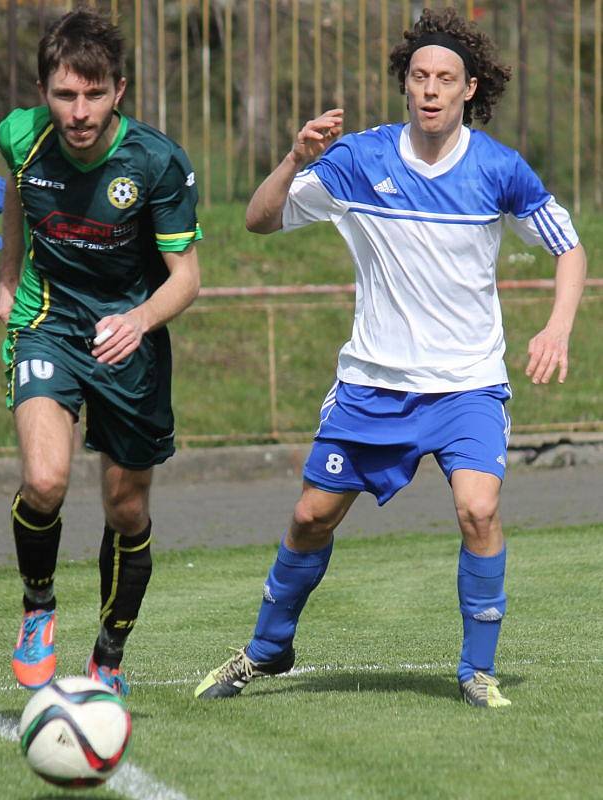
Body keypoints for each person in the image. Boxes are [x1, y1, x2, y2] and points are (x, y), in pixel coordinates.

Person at [195, 7, 586, 707]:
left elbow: (568, 246)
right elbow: (258, 219)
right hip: (372, 385)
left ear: (469, 90)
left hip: (466, 385)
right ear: (404, 86)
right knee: (312, 516)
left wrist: (555, 328)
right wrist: (294, 159)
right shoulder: (357, 161)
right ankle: (267, 648)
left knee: (478, 508)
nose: (431, 89)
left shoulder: (499, 170)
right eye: (419, 76)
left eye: (446, 78)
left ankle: (476, 669)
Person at [0, 9, 202, 694]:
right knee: (45, 480)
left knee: (126, 510)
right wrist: (6, 282)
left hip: (128, 341)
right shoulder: (21, 138)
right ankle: (37, 606)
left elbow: (188, 279)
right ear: (42, 93)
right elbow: (20, 201)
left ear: (120, 89)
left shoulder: (156, 161)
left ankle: (108, 657)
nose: (78, 112)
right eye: (64, 95)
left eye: (93, 94)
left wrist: (139, 320)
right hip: (48, 323)